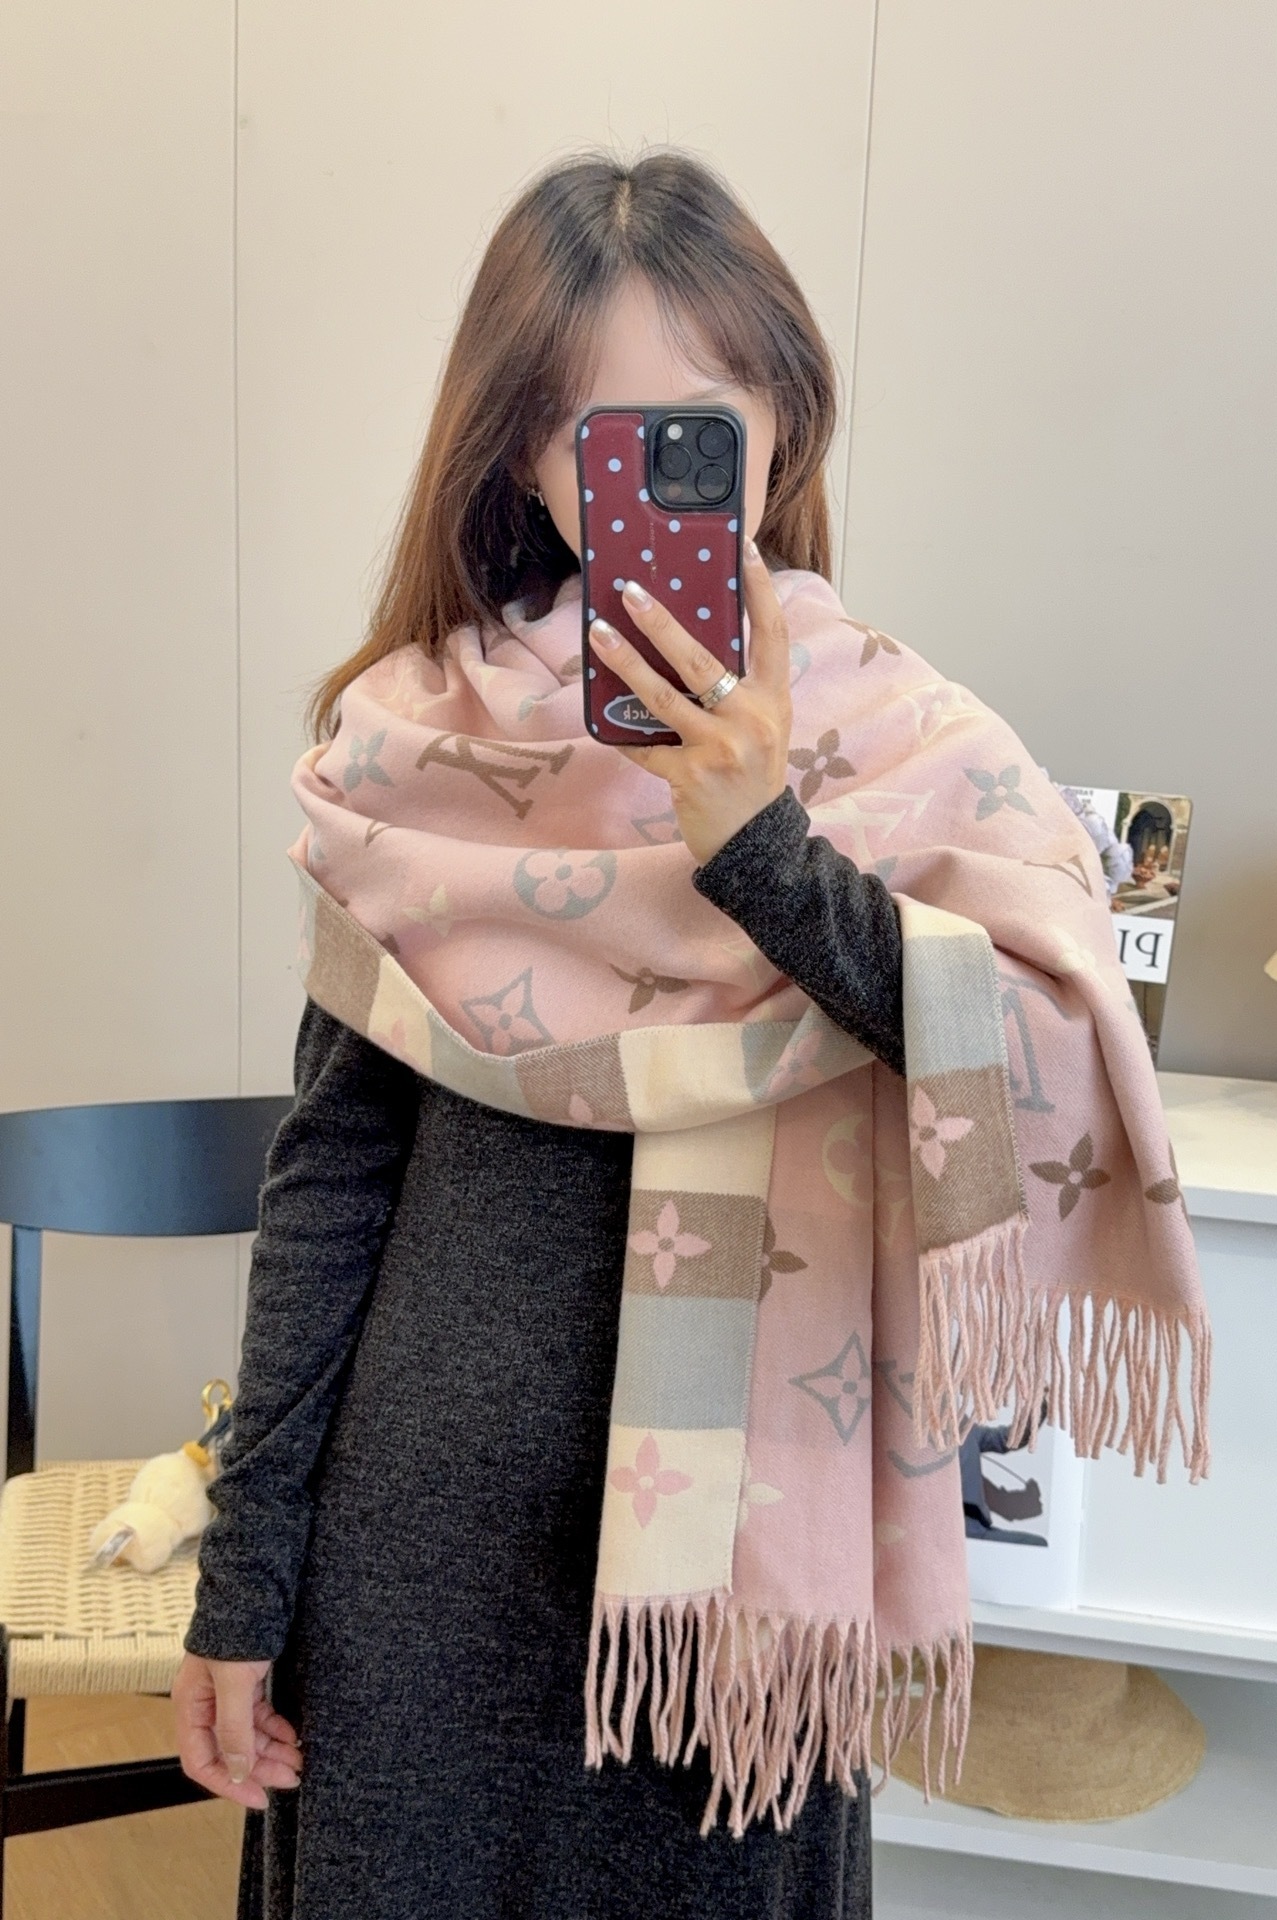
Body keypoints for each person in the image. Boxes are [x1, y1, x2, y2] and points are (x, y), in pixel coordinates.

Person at [171, 148, 906, 1919]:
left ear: (782, 420)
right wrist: (245, 1577)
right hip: (426, 1553)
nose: (659, 478)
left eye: (703, 424)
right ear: (517, 452)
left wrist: (762, 849)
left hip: (740, 1569)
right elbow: (333, 1171)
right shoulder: (411, 748)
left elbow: (1003, 1071)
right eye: (603, 435)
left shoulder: (896, 741)